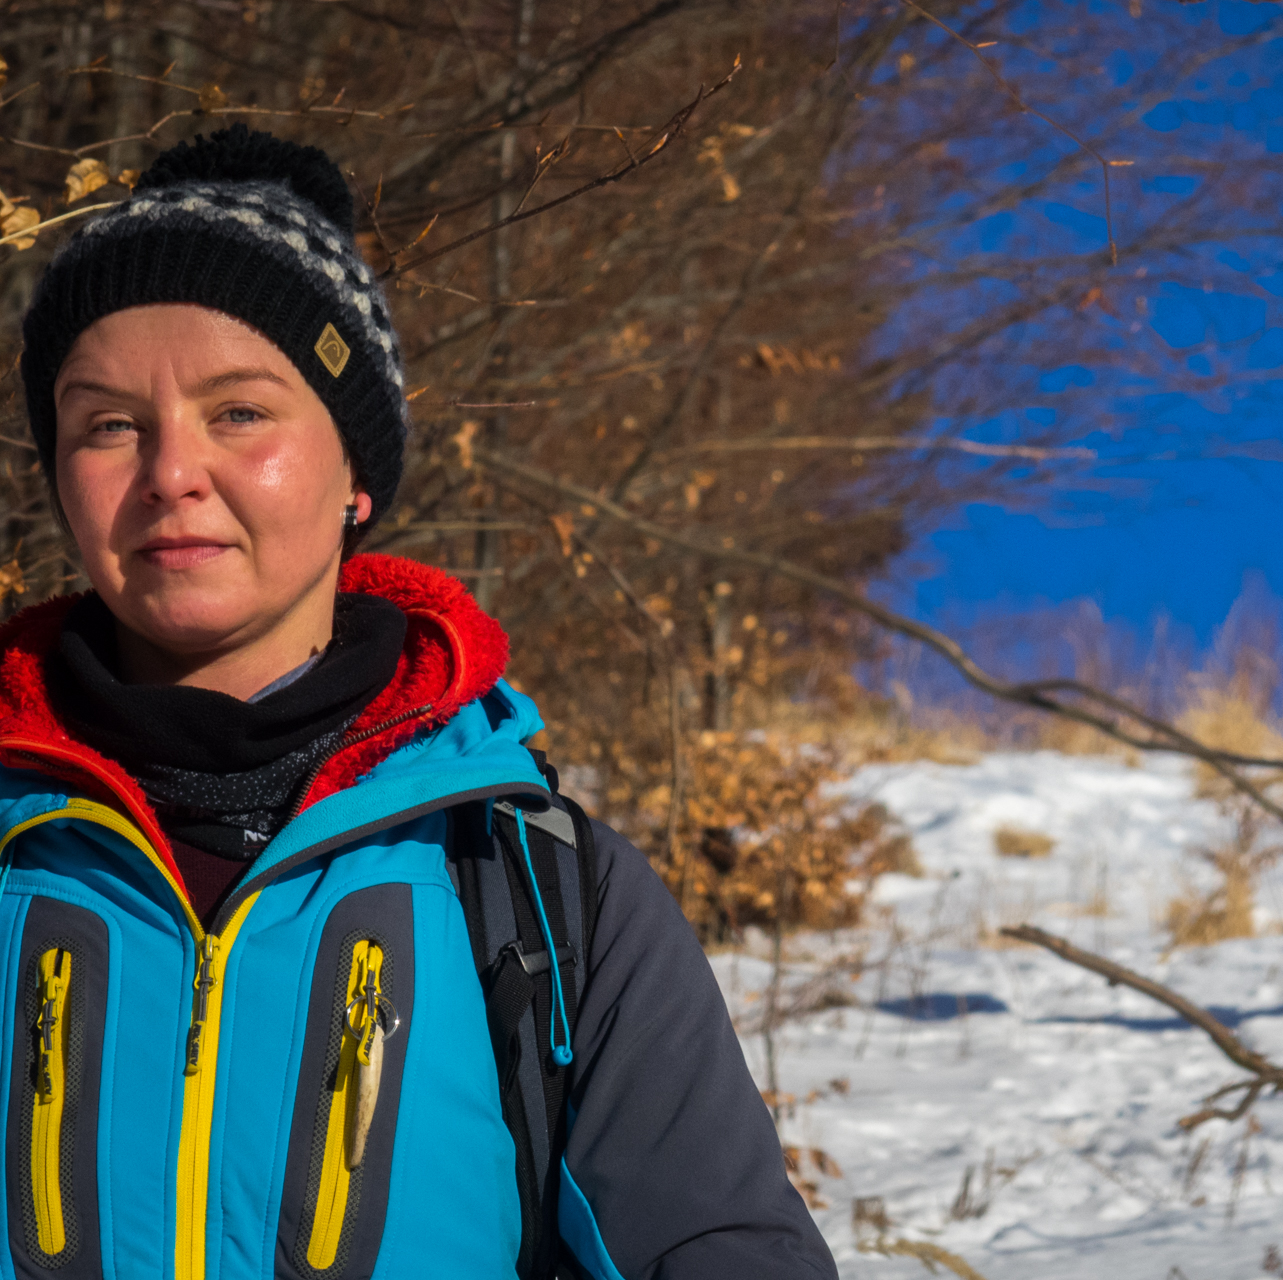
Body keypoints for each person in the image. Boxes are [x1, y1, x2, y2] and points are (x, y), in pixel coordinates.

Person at [4, 125, 836, 1278]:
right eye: (106, 423)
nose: (170, 471)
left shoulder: (537, 884)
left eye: (239, 411)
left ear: (355, 472)